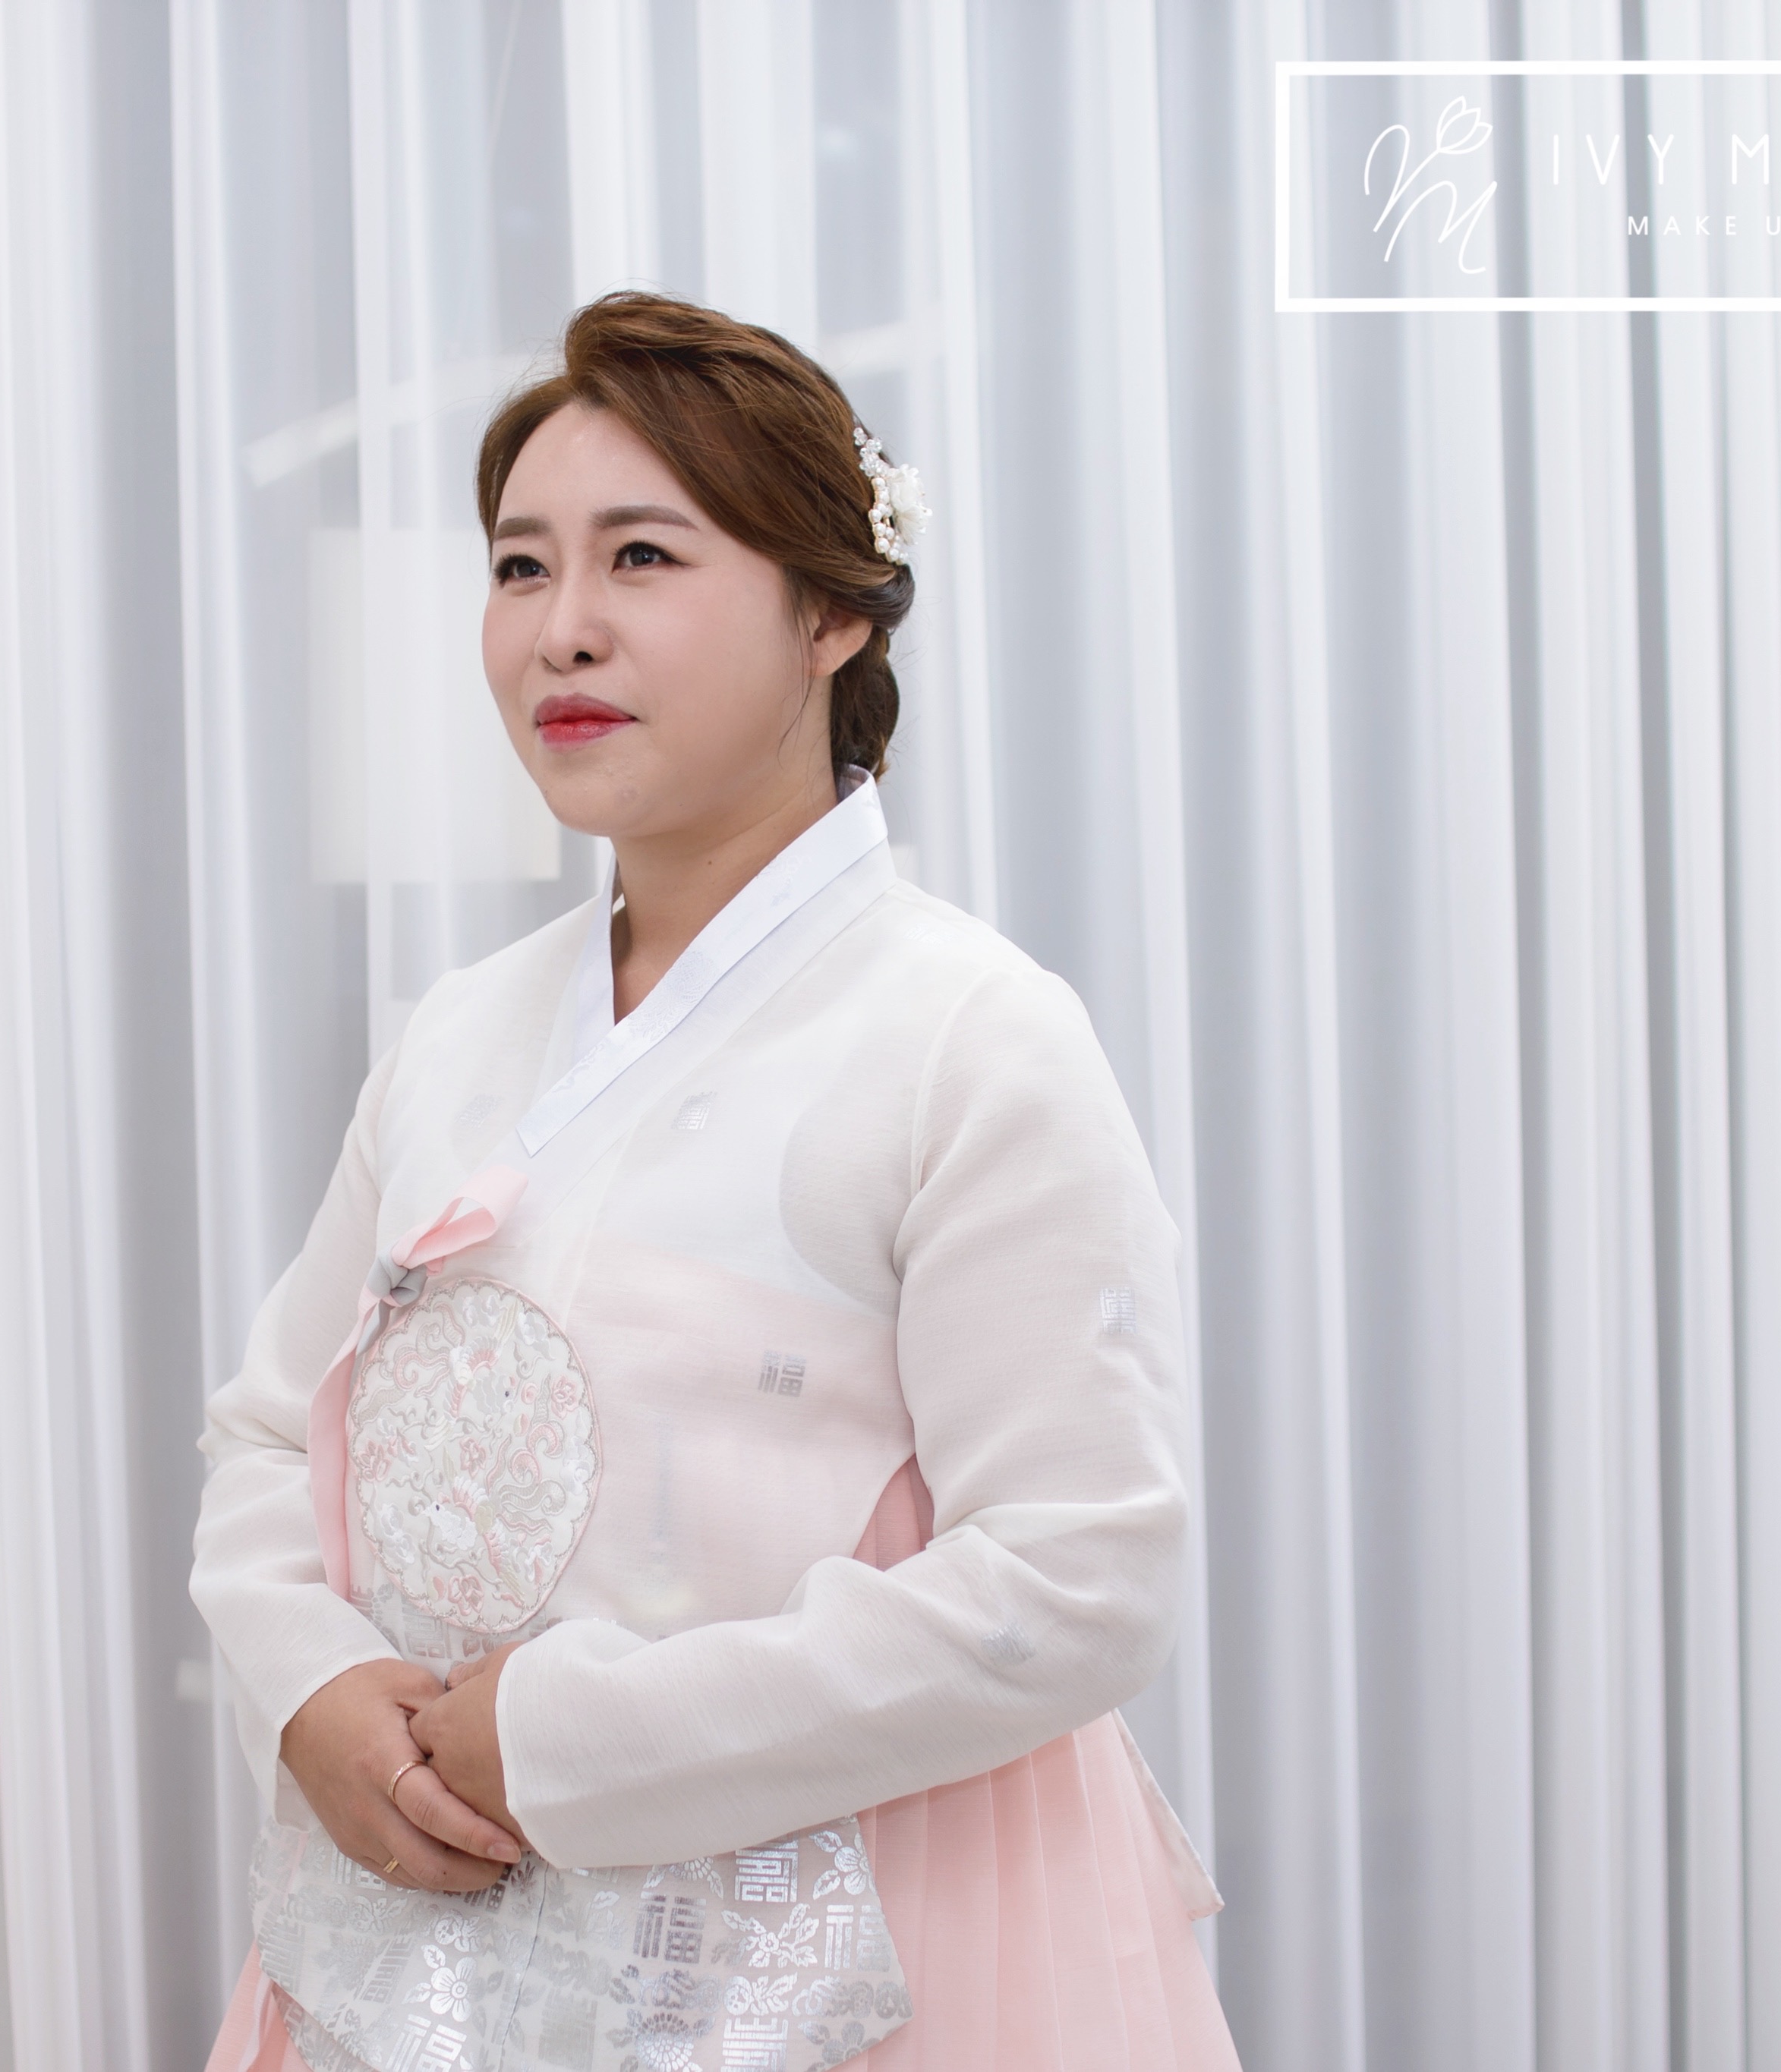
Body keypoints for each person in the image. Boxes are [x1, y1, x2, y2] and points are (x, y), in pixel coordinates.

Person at [192, 291, 1238, 2072]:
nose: (562, 629)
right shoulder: (459, 1032)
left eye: (642, 557)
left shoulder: (970, 1035)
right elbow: (271, 1438)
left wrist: (571, 1742)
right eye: (519, 568)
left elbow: (1079, 1577)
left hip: (873, 1955)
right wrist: (312, 1686)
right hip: (429, 1956)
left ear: (833, 612)